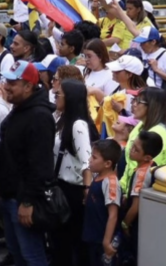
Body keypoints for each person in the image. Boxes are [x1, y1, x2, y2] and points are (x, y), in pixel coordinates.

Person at [0, 61, 56, 266]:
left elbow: (41, 167)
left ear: (28, 86)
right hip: (9, 195)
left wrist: (28, 202)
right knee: (17, 253)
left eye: (13, 82)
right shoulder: (20, 108)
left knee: (32, 257)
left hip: (23, 200)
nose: (6, 86)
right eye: (6, 80)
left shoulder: (39, 116)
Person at [51, 79, 100, 266]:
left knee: (72, 242)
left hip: (74, 190)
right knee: (59, 242)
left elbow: (87, 160)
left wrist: (86, 189)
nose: (55, 97)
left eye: (58, 94)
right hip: (60, 185)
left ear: (70, 98)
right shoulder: (59, 118)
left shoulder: (78, 125)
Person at [119, 88, 166, 192]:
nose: (134, 104)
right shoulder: (140, 125)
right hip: (127, 189)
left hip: (140, 193)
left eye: (139, 101)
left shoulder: (159, 134)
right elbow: (130, 164)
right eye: (134, 100)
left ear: (152, 106)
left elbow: (149, 171)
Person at [121, 131, 163, 263]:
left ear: (147, 157)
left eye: (136, 150)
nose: (131, 150)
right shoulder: (152, 165)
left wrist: (125, 224)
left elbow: (136, 206)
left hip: (138, 224)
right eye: (132, 145)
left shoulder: (141, 174)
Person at [83, 140, 122, 266]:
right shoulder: (98, 177)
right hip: (92, 236)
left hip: (101, 240)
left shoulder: (110, 182)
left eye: (94, 157)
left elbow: (113, 214)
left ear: (107, 163)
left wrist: (106, 241)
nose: (90, 160)